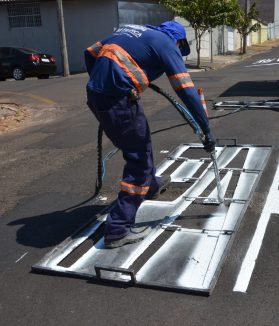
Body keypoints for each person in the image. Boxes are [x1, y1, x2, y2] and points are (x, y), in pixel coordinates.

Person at [84, 21, 216, 249]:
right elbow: (186, 89)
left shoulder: (133, 31)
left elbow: (89, 53)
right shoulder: (166, 44)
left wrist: (102, 84)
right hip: (118, 99)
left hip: (98, 95)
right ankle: (118, 229)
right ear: (179, 41)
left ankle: (150, 185)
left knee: (139, 140)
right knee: (138, 162)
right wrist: (206, 129)